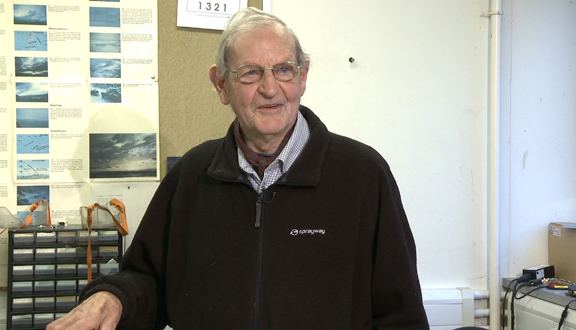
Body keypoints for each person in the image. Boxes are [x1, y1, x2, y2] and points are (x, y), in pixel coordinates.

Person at [47, 7, 429, 330]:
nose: (269, 88)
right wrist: (112, 298)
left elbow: (402, 313)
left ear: (303, 76)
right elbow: (148, 278)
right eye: (250, 73)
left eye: (283, 70)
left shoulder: (363, 176)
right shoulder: (193, 175)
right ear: (221, 85)